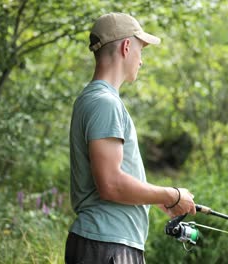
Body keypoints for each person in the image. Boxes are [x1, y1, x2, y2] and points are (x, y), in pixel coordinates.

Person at [66, 12, 196, 264]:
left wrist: (157, 199)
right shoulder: (104, 103)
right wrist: (172, 195)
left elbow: (113, 180)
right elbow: (111, 184)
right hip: (108, 246)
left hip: (107, 245)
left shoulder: (94, 100)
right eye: (141, 50)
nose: (141, 61)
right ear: (126, 47)